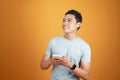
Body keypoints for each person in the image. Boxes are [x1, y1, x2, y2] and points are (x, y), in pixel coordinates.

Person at [40, 9, 91, 80]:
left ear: (78, 24)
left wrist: (70, 65)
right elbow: (42, 66)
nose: (65, 23)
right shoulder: (53, 41)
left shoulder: (84, 46)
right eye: (64, 20)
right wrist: (50, 61)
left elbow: (86, 76)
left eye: (69, 20)